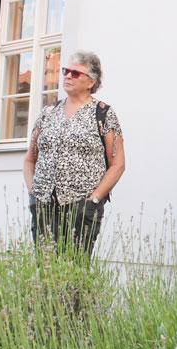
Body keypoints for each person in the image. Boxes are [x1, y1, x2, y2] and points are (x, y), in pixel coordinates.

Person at [24, 51, 125, 256]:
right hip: (44, 204)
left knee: (75, 271)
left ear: (91, 81)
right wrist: (33, 193)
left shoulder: (103, 114)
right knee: (45, 271)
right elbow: (30, 159)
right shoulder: (48, 113)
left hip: (81, 206)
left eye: (75, 73)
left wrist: (94, 199)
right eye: (66, 71)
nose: (68, 76)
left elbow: (118, 164)